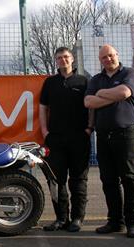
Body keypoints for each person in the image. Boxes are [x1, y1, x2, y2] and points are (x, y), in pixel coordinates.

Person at [84, 44, 134, 238]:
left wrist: (101, 94)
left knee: (128, 178)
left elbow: (124, 93)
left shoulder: (130, 74)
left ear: (117, 55)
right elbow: (88, 102)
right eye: (103, 57)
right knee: (108, 180)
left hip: (126, 134)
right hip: (103, 135)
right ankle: (115, 222)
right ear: (100, 60)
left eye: (110, 55)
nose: (108, 59)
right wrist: (111, 95)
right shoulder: (96, 79)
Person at [39, 47, 92, 232]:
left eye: (66, 57)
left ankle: (77, 218)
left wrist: (89, 128)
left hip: (79, 138)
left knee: (78, 180)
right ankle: (61, 218)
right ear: (56, 61)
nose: (63, 60)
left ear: (72, 59)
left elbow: (91, 106)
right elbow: (42, 108)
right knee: (56, 181)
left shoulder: (85, 81)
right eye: (60, 58)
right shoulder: (50, 83)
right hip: (55, 139)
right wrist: (45, 132)